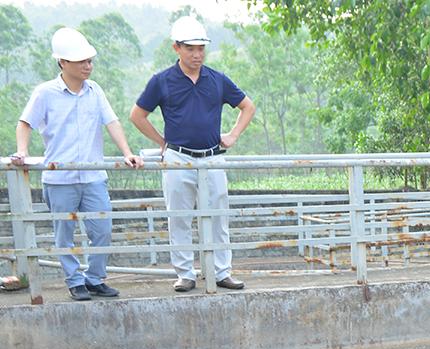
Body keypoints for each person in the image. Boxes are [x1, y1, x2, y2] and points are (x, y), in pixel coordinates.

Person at [11, 28, 143, 302]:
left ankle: (95, 279)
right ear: (62, 62)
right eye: (81, 61)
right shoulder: (45, 93)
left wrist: (127, 152)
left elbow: (112, 122)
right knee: (65, 233)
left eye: (90, 60)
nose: (88, 66)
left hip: (93, 175)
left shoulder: (95, 91)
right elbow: (25, 123)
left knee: (102, 229)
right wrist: (22, 151)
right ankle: (74, 281)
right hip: (60, 178)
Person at [130, 16, 255, 293]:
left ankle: (222, 271)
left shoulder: (217, 79)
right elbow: (137, 115)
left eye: (201, 48)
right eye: (190, 48)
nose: (197, 54)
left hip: (212, 157)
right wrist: (161, 142)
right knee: (179, 217)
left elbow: (248, 106)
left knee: (218, 217)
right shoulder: (161, 81)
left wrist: (233, 135)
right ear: (177, 48)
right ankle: (185, 274)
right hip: (178, 158)